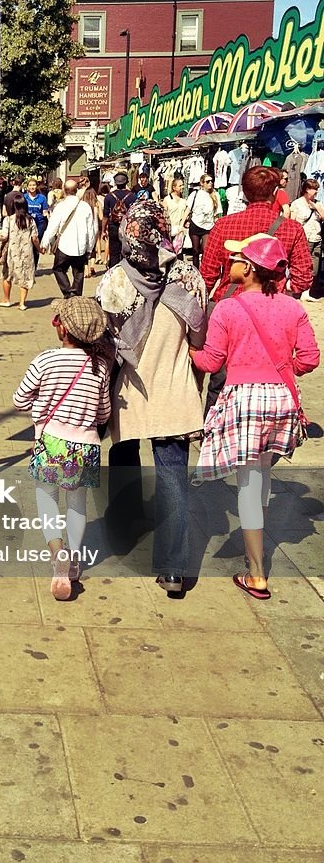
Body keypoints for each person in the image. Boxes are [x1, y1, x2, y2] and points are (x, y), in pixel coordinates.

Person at [190, 234, 319, 600]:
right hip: (280, 398)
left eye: (235, 260)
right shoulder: (293, 308)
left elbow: (212, 362)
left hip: (246, 399)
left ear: (248, 269)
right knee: (260, 475)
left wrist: (189, 353)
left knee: (248, 485)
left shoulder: (228, 309)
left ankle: (257, 573)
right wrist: (279, 368)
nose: (228, 264)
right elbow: (309, 359)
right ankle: (256, 546)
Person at [96, 199, 207, 594]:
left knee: (123, 453)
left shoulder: (114, 282)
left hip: (130, 392)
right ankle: (175, 569)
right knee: (173, 475)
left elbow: (102, 342)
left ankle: (124, 526)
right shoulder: (189, 278)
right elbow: (199, 340)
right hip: (175, 392)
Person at [13, 297, 111, 601]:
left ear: (62, 329)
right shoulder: (101, 366)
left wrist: (39, 408)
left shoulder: (46, 360)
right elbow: (103, 412)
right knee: (78, 504)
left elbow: (19, 400)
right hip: (86, 444)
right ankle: (74, 558)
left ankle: (58, 554)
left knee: (46, 498)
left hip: (51, 441)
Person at [199, 166, 313, 413]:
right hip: (273, 312)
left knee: (220, 378)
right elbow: (304, 278)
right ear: (274, 192)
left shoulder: (223, 226)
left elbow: (207, 275)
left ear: (244, 192)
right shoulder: (291, 229)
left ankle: (214, 427)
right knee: (267, 373)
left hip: (227, 309)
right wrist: (284, 290)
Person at [40, 179, 98, 298]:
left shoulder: (60, 206)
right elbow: (91, 230)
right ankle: (76, 295)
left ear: (64, 191)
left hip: (64, 245)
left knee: (58, 269)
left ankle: (68, 292)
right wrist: (90, 248)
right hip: (81, 246)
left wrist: (44, 243)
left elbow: (52, 227)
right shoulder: (85, 207)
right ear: (76, 190)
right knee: (79, 273)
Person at [0, 193, 40, 310]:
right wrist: (40, 249)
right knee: (25, 276)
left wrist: (0, 238)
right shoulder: (30, 220)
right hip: (27, 252)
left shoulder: (8, 220)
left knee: (7, 275)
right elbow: (35, 238)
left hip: (12, 252)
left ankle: (6, 300)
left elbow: (4, 237)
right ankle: (22, 303)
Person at [289, 178, 324, 301]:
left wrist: (316, 207)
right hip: (303, 238)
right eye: (314, 189)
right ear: (307, 189)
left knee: (314, 267)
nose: (316, 192)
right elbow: (292, 222)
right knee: (300, 265)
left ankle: (306, 293)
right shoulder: (297, 204)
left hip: (316, 238)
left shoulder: (319, 203)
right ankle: (294, 290)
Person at [185, 175, 221, 269]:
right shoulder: (195, 194)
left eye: (211, 181)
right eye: (207, 181)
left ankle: (205, 269)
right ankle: (196, 270)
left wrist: (217, 226)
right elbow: (188, 209)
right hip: (196, 224)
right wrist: (182, 223)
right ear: (202, 183)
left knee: (206, 250)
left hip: (208, 226)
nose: (210, 183)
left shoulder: (215, 195)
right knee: (195, 250)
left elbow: (217, 213)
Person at [102, 172, 136, 268]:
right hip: (127, 227)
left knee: (114, 253)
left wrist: (104, 230)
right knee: (127, 252)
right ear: (126, 182)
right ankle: (126, 270)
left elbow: (105, 216)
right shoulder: (133, 196)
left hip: (113, 226)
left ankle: (114, 270)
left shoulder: (108, 197)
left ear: (115, 183)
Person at [24, 178, 50, 266]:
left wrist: (49, 220)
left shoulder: (42, 198)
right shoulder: (24, 197)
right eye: (30, 185)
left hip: (39, 223)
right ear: (27, 187)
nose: (32, 187)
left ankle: (34, 266)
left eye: (34, 185)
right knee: (27, 245)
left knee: (36, 245)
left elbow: (45, 212)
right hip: (27, 224)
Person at [161, 175, 189, 255]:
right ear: (174, 187)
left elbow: (186, 214)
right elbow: (163, 214)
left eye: (182, 185)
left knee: (178, 252)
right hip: (169, 229)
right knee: (168, 252)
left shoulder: (184, 201)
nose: (182, 187)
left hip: (180, 229)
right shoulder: (167, 199)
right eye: (180, 185)